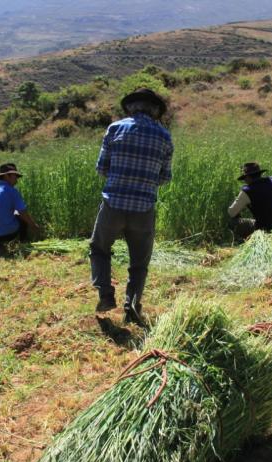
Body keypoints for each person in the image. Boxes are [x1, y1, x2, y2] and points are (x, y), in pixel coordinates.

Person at [90, 88, 174, 326]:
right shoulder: (164, 137)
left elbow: (102, 169)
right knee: (139, 263)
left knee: (99, 249)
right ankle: (132, 305)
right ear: (155, 110)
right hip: (143, 208)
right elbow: (164, 178)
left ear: (131, 107)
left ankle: (106, 295)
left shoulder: (115, 129)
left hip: (113, 204)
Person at [0, 163, 40, 258]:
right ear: (6, 176)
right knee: (22, 219)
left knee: (9, 215)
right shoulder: (12, 190)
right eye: (15, 176)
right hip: (7, 233)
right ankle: (23, 245)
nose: (17, 179)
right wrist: (33, 225)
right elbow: (22, 212)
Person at [227, 162, 272, 240]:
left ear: (248, 177)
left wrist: (241, 200)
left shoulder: (248, 191)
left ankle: (244, 241)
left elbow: (231, 212)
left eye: (245, 178)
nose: (244, 181)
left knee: (232, 222)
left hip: (265, 228)